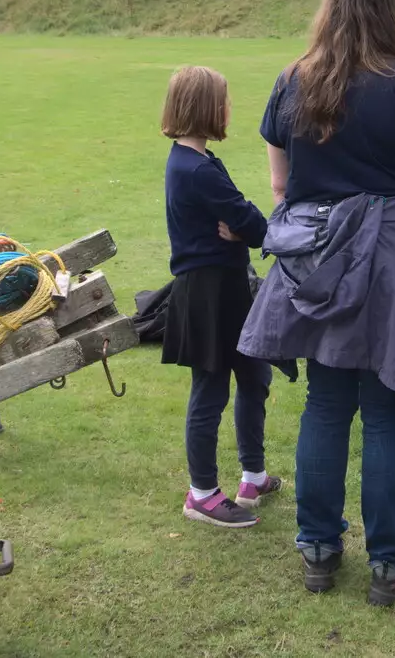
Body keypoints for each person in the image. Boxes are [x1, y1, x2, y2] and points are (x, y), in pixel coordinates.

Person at [239, 0, 395, 607]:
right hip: (392, 257)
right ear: (390, 15)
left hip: (317, 260)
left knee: (327, 403)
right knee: (387, 409)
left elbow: (281, 190)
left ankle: (318, 546)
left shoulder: (291, 82)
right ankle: (391, 563)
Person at [159, 66, 278, 529]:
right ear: (206, 108)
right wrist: (246, 229)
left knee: (254, 375)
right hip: (207, 293)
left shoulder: (201, 162)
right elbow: (252, 222)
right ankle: (202, 493)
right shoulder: (195, 170)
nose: (230, 109)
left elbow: (242, 221)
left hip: (228, 287)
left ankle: (254, 476)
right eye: (225, 102)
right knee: (210, 390)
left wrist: (242, 228)